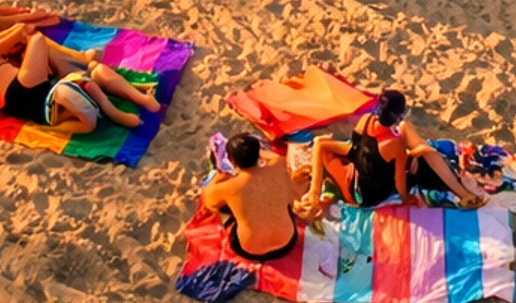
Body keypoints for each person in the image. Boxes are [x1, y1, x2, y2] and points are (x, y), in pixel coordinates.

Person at [299, 91, 488, 218]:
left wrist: (313, 191)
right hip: (367, 195)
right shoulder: (394, 145)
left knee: (409, 134)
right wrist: (407, 199)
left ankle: (313, 191)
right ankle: (463, 194)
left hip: (358, 176)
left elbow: (353, 148)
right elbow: (400, 183)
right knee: (428, 152)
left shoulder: (365, 120)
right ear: (397, 114)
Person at [0, 22, 158, 133]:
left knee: (92, 77)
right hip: (21, 89)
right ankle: (113, 108)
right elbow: (8, 40)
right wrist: (19, 30)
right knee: (37, 39)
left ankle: (123, 105)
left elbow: (0, 43)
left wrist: (18, 31)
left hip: (27, 101)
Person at [204, 134, 300, 263]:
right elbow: (275, 157)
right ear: (259, 155)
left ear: (231, 161)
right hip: (287, 243)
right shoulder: (279, 165)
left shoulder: (227, 188)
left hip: (249, 251)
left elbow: (209, 201)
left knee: (226, 208)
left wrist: (221, 172)